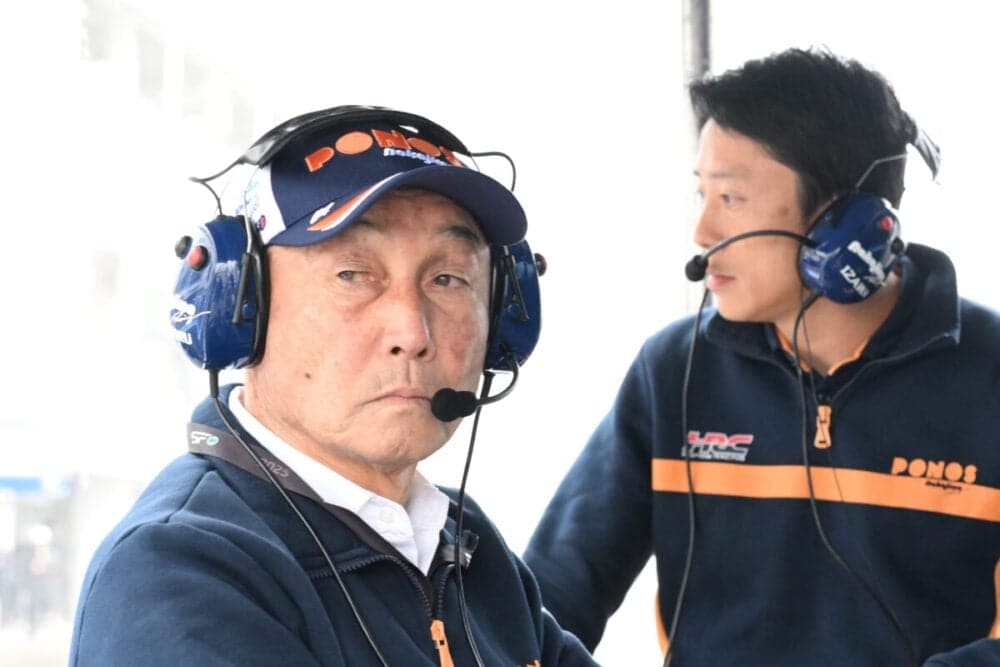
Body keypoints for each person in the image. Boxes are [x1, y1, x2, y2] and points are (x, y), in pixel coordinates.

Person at [70, 105, 596, 666]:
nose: (412, 334)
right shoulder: (178, 571)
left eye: (448, 278)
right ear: (242, 307)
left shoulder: (468, 551)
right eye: (353, 275)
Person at [524, 48, 1000, 666]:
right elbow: (550, 594)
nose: (702, 232)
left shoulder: (989, 373)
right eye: (702, 193)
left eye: (731, 199)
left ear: (844, 220)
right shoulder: (673, 370)